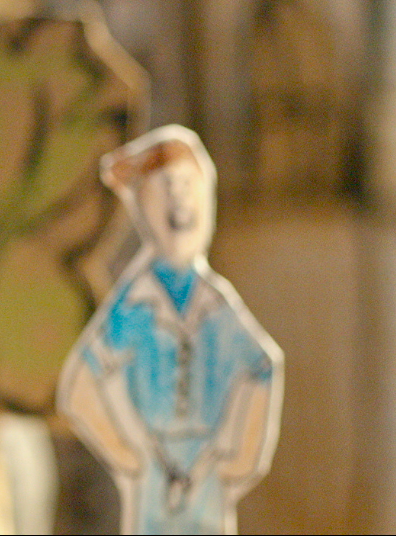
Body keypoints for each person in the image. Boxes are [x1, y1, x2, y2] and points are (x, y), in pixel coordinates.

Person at [58, 125, 283, 535]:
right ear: (143, 205)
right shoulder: (135, 303)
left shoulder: (215, 305)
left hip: (206, 474)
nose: (178, 198)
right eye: (164, 188)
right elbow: (80, 386)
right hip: (155, 477)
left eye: (186, 185)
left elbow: (263, 366)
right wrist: (129, 454)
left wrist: (238, 459)